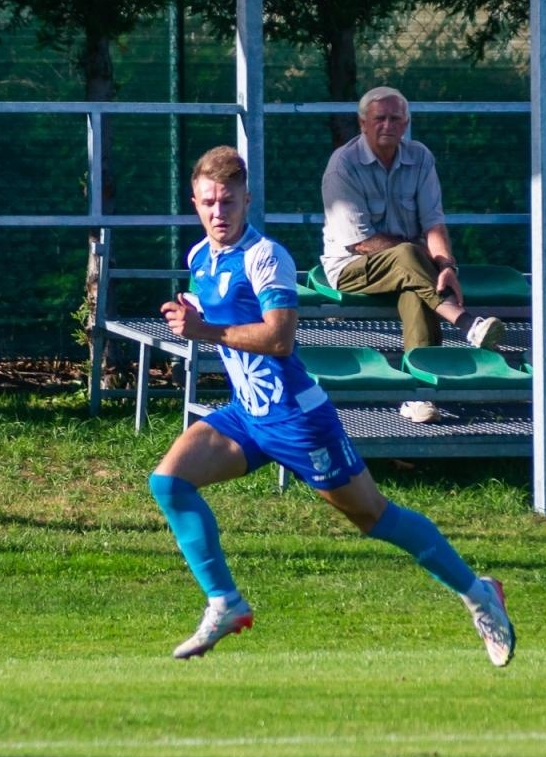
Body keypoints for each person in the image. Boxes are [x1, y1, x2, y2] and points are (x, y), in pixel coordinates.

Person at [151, 147, 515, 665]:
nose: (218, 212)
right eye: (208, 202)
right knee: (168, 481)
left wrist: (204, 329)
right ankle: (225, 601)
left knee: (375, 517)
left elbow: (280, 339)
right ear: (194, 202)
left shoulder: (265, 256)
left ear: (246, 200)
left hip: (299, 420)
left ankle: (478, 593)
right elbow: (215, 313)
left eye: (228, 201)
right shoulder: (199, 257)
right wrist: (191, 311)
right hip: (247, 415)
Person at [321, 86, 506, 424]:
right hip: (351, 267)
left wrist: (444, 264)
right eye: (379, 118)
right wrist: (421, 256)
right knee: (408, 256)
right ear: (363, 124)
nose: (387, 125)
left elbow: (433, 220)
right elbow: (359, 242)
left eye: (395, 118)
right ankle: (466, 324)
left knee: (415, 292)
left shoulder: (420, 157)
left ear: (405, 124)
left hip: (411, 267)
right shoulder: (342, 165)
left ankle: (420, 394)